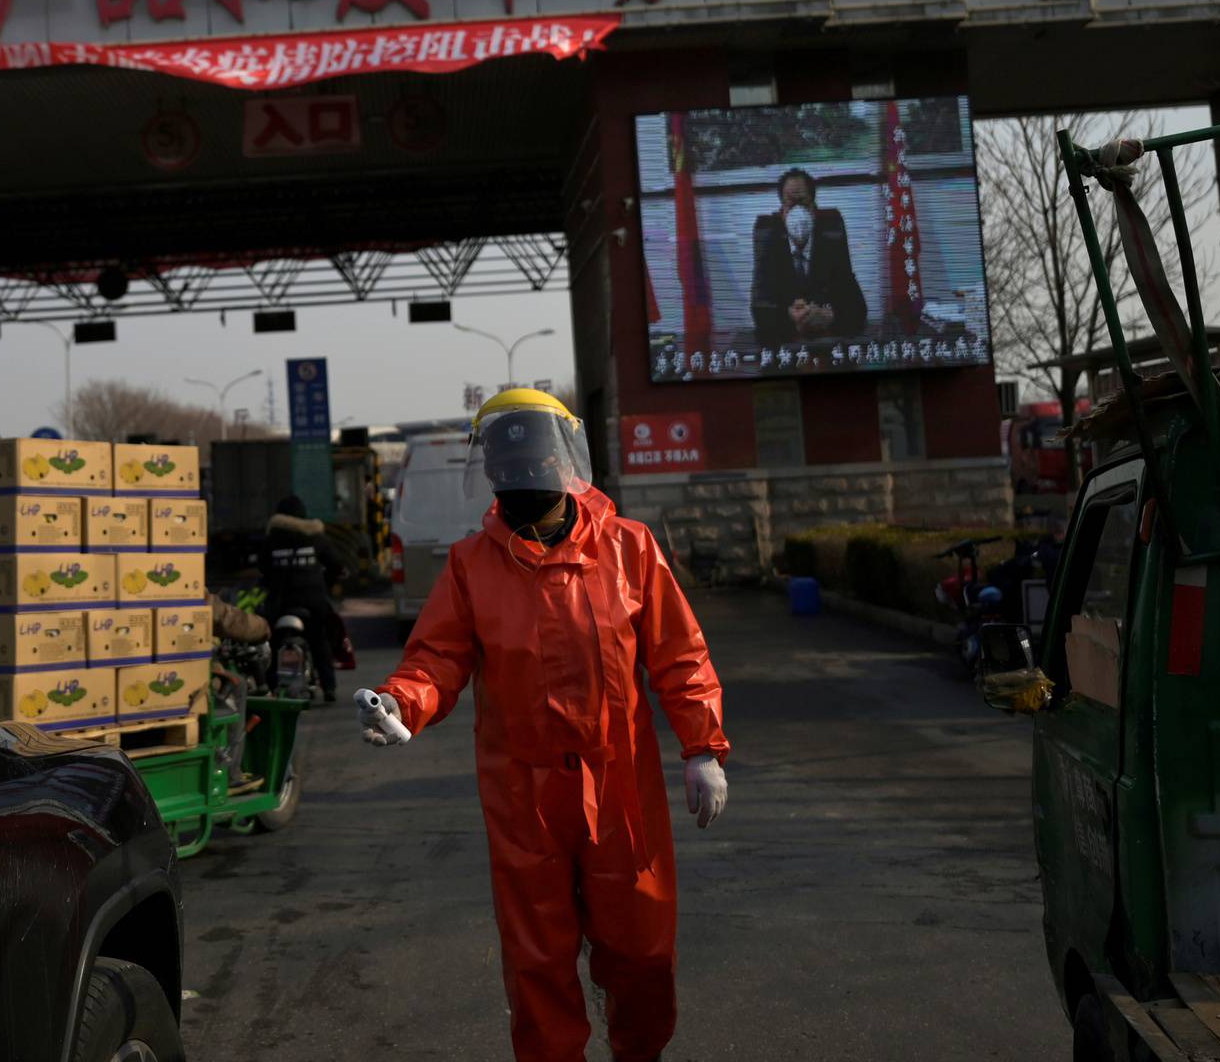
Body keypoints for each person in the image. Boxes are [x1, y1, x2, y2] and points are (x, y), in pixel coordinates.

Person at [356, 390, 729, 1062]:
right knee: (538, 964)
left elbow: (680, 654)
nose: (522, 482)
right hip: (523, 795)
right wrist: (401, 704)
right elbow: (437, 658)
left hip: (620, 789)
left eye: (532, 465)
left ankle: (639, 1052)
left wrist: (703, 747)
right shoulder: (473, 566)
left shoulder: (629, 549)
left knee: (643, 951)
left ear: (564, 466)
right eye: (509, 469)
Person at [749, 167, 866, 349]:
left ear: (814, 208)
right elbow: (759, 311)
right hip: (786, 346)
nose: (798, 212)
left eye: (803, 203)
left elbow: (857, 309)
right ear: (782, 212)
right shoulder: (769, 241)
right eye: (790, 204)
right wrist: (789, 314)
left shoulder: (831, 241)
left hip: (827, 345)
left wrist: (830, 315)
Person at [263, 494, 343, 702]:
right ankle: (329, 687)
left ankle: (269, 686)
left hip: (281, 603)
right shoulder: (317, 537)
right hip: (313, 601)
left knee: (273, 642)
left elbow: (263, 569)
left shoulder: (271, 539)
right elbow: (336, 565)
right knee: (319, 640)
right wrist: (326, 582)